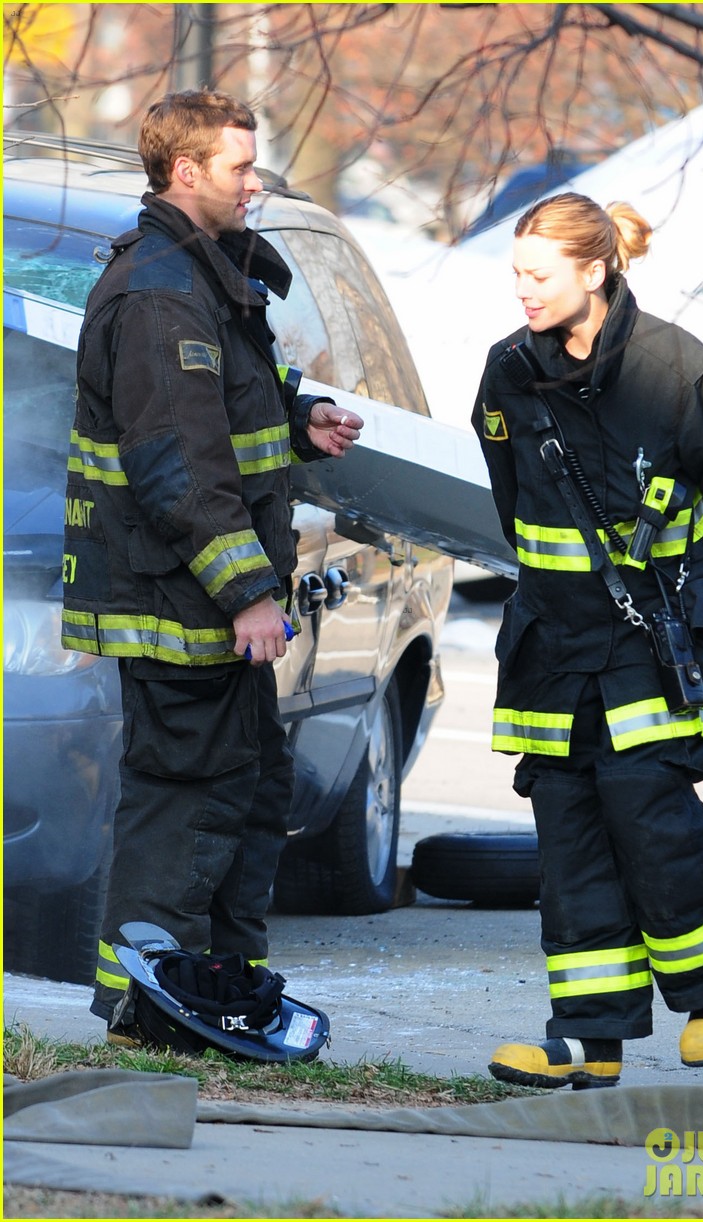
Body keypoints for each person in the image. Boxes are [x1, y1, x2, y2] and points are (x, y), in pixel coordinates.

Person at [61, 89, 363, 1043]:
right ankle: (150, 1005)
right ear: (183, 171)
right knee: (188, 795)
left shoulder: (200, 274)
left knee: (244, 785)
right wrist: (247, 592)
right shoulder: (160, 293)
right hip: (180, 599)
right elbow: (175, 466)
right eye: (239, 166)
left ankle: (213, 989)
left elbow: (221, 417)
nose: (254, 182)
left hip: (196, 598)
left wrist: (297, 422)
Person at [473, 192, 703, 1089]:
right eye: (516, 273)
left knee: (648, 811)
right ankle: (588, 1042)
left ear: (594, 269)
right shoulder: (507, 372)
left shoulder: (681, 370)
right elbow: (509, 498)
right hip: (553, 645)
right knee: (568, 834)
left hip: (657, 641)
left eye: (539, 275)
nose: (522, 291)